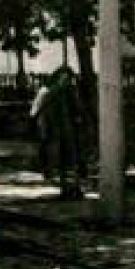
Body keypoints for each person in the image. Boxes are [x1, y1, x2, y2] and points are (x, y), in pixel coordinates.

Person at [32, 66, 86, 199]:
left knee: (73, 160)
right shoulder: (48, 93)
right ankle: (65, 188)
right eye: (64, 78)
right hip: (56, 131)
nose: (66, 81)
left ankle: (74, 187)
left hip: (69, 132)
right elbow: (38, 113)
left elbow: (79, 110)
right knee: (62, 161)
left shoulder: (71, 92)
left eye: (68, 78)